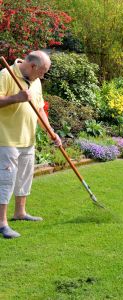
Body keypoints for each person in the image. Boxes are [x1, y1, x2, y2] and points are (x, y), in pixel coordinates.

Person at [0, 50, 62, 239]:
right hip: (6, 139)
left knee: (24, 178)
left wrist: (51, 132)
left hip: (28, 139)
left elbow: (40, 109)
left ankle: (20, 212)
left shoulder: (36, 82)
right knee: (5, 182)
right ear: (33, 66)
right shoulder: (5, 75)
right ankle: (2, 223)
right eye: (42, 71)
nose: (43, 76)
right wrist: (15, 98)